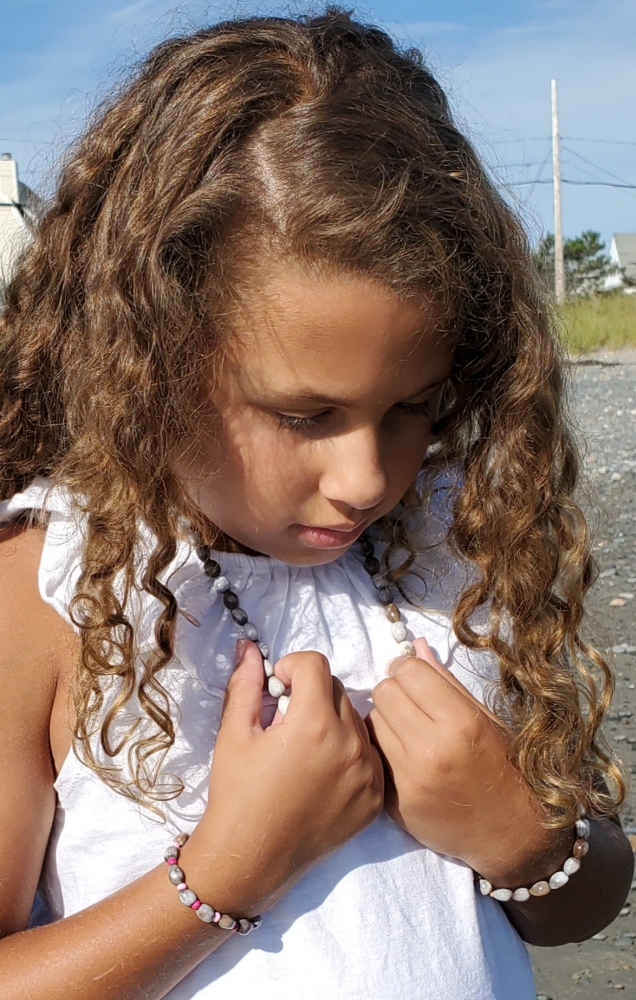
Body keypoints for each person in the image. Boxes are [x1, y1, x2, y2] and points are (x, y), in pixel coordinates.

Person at [0, 9, 632, 999]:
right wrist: (226, 873)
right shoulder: (50, 594)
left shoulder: (450, 549)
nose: (367, 479)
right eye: (304, 415)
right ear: (147, 370)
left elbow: (587, 893)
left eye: (412, 407)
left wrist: (522, 838)